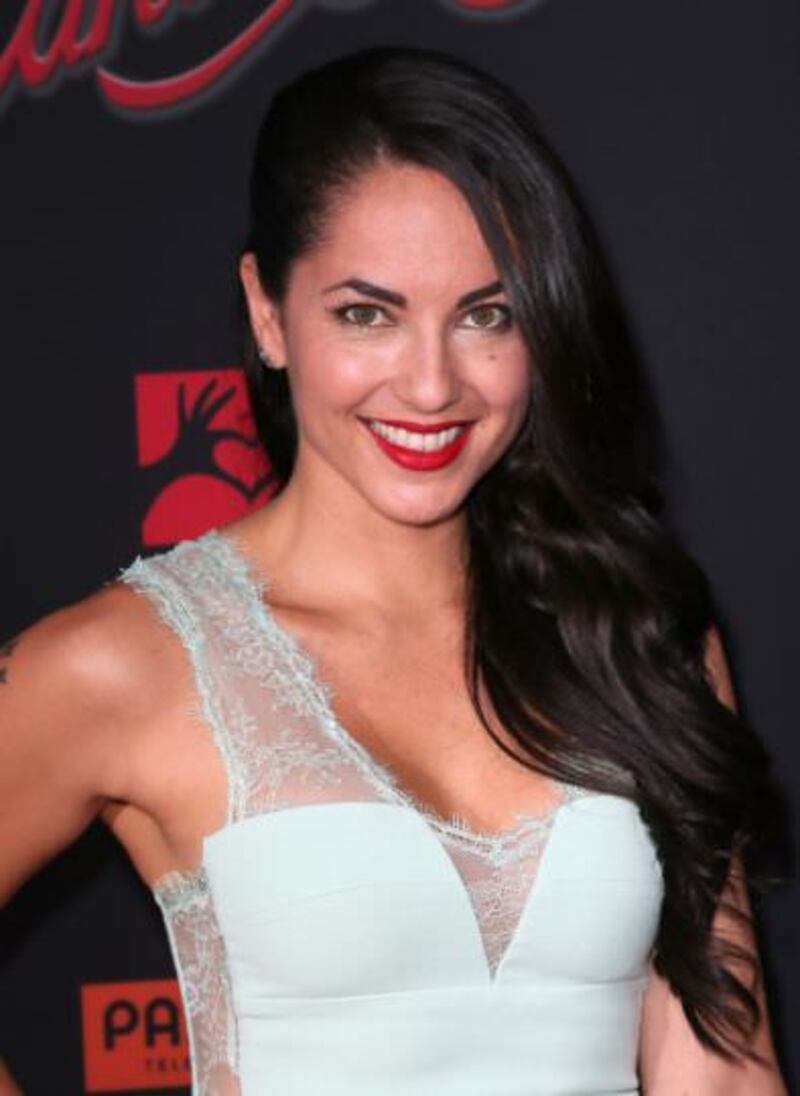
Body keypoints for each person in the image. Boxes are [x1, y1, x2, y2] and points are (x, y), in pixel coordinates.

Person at [0, 45, 788, 1095]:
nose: (430, 385)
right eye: (366, 314)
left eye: (486, 314)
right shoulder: (128, 661)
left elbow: (723, 1069)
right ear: (269, 314)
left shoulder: (638, 636)